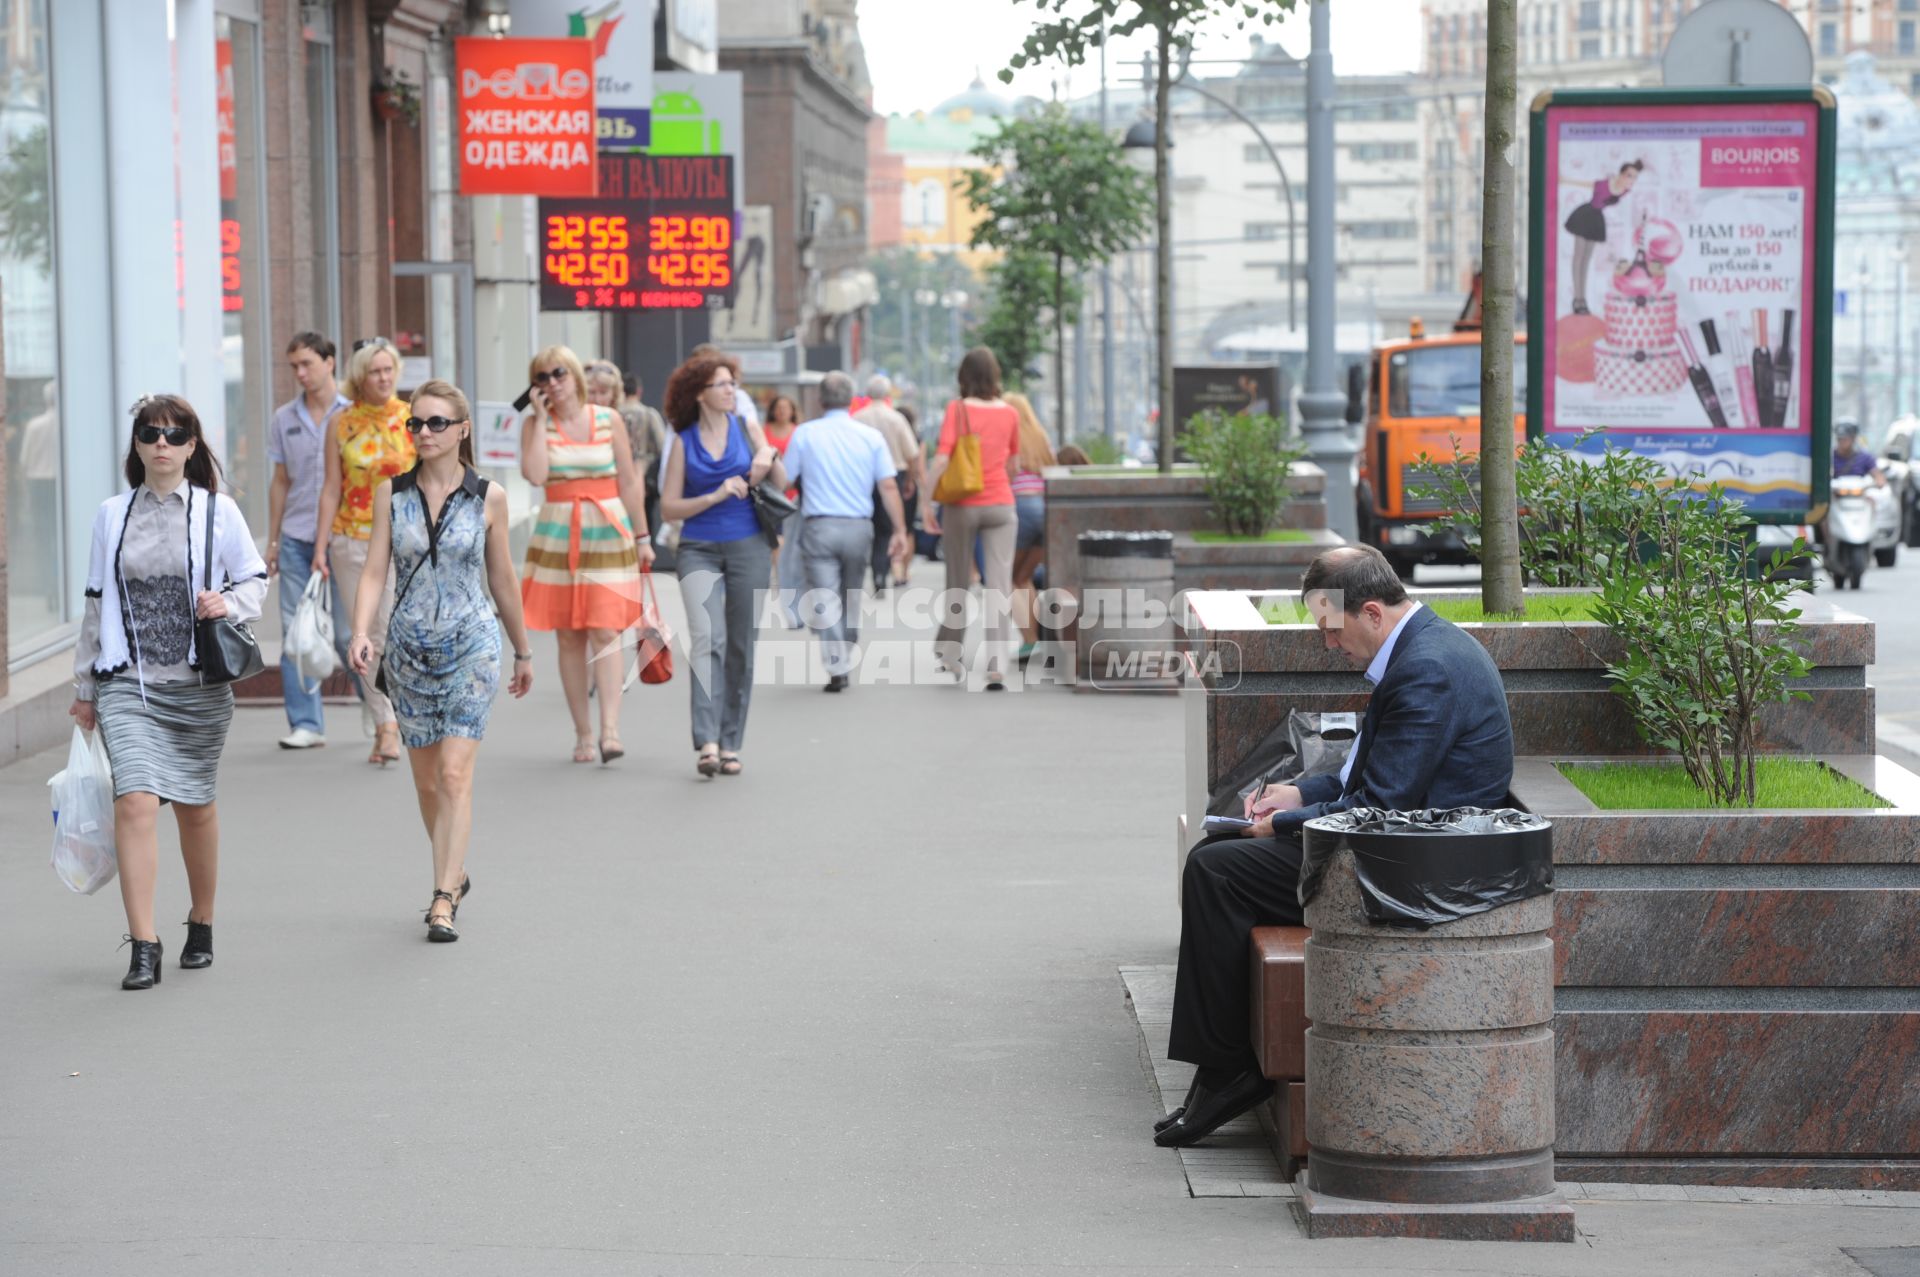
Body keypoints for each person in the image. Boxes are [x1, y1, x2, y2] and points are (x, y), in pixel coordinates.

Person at [1155, 546, 1514, 1148]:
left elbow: (1379, 808)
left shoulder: (1427, 670)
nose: (1329, 646)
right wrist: (1297, 792)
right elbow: (1366, 777)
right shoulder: (1423, 649)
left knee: (1216, 872)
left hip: (1412, 868)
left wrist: (1283, 827)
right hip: (1404, 844)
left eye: (1330, 629)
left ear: (1370, 612)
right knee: (1215, 863)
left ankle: (1229, 1071)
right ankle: (1221, 1068)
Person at [70, 395, 269, 990]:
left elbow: (254, 580)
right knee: (133, 800)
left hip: (196, 687)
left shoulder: (217, 511)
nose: (162, 442)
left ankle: (201, 922)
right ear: (136, 444)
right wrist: (85, 686)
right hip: (127, 683)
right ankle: (144, 944)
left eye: (174, 434)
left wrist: (225, 600)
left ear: (190, 447)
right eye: (150, 433)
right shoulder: (111, 514)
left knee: (194, 806)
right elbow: (95, 603)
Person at [348, 380, 534, 943]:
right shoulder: (392, 494)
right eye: (416, 424)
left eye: (436, 423)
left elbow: (500, 577)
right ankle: (455, 870)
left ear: (462, 430)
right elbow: (376, 569)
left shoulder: (489, 497)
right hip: (407, 651)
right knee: (428, 783)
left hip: (472, 645)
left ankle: (442, 897)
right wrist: (362, 631)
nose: (424, 433)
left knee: (455, 774)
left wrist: (523, 649)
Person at [519, 345, 654, 764]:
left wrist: (643, 535)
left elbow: (630, 482)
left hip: (609, 532)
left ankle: (610, 729)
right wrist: (540, 421)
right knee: (568, 635)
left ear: (574, 374)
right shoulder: (534, 424)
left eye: (558, 373)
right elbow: (536, 475)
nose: (552, 383)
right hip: (559, 536)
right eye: (541, 378)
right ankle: (583, 732)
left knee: (605, 629)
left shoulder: (608, 419)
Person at [660, 350, 787, 776]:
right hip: (698, 547)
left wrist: (768, 460)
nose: (732, 390)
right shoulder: (684, 441)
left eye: (733, 383)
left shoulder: (748, 429)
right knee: (706, 640)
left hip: (749, 544)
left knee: (740, 646)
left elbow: (784, 485)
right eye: (723, 384)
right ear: (700, 393)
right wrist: (714, 495)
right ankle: (708, 741)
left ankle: (731, 742)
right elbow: (669, 509)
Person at [314, 336, 415, 765]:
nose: (383, 377)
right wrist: (320, 547)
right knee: (361, 635)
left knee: (387, 632)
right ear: (359, 376)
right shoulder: (341, 423)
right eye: (375, 371)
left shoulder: (413, 419)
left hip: (404, 540)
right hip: (352, 539)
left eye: (389, 369)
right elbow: (331, 487)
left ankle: (388, 718)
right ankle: (386, 722)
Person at [785, 371, 910, 692]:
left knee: (825, 597)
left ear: (820, 400)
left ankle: (837, 664)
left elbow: (784, 479)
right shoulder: (869, 437)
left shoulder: (805, 434)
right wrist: (899, 529)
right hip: (859, 527)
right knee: (851, 593)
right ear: (852, 398)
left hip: (819, 526)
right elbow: (887, 485)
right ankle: (848, 642)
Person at [266, 332, 350, 750]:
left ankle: (379, 706)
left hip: (346, 537)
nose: (300, 373)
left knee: (349, 634)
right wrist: (274, 541)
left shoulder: (353, 415)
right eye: (294, 366)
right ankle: (307, 723)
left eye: (307, 364)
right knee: (296, 632)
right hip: (298, 537)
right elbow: (280, 482)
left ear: (329, 362)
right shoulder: (284, 418)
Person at [922, 347, 1021, 690]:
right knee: (999, 586)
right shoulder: (1010, 412)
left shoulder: (958, 409)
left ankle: (950, 653)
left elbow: (941, 460)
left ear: (963, 376)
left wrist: (925, 502)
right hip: (1001, 505)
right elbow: (1014, 466)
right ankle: (996, 667)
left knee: (958, 582)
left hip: (962, 505)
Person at [855, 375, 924, 591]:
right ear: (887, 395)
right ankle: (880, 573)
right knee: (887, 529)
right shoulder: (896, 419)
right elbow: (912, 453)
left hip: (863, 478)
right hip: (895, 475)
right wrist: (910, 480)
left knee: (867, 525)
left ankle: (873, 571)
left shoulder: (857, 418)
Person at [590, 359, 668, 547]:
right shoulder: (648, 414)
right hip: (640, 481)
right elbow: (663, 447)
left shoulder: (614, 415)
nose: (597, 398)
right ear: (639, 391)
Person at [1004, 392, 1056, 660]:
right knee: (1023, 577)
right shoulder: (1041, 437)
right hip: (1045, 509)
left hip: (1021, 508)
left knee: (1008, 579)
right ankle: (1033, 640)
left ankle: (1029, 640)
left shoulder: (1008, 437)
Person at [1564, 158, 1643, 316]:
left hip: (1596, 221)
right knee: (1578, 256)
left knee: (1585, 259)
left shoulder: (1625, 191)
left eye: (1634, 177)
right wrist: (1566, 180)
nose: (1631, 180)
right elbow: (1588, 184)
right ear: (1621, 174)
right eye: (1629, 175)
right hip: (1585, 215)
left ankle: (1582, 298)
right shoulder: (1605, 183)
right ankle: (1577, 298)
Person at [762, 394, 804, 626]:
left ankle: (781, 575)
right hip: (770, 493)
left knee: (784, 539)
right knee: (775, 538)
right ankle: (778, 573)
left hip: (792, 495)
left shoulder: (798, 431)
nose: (782, 412)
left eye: (786, 408)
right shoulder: (764, 430)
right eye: (778, 408)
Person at [1833, 420, 1886, 486]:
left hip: (1860, 494)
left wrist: (1878, 483)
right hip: (1835, 494)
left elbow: (1878, 476)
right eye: (1840, 439)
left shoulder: (1865, 458)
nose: (1843, 442)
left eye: (1846, 439)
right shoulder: (1831, 458)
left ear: (1854, 438)